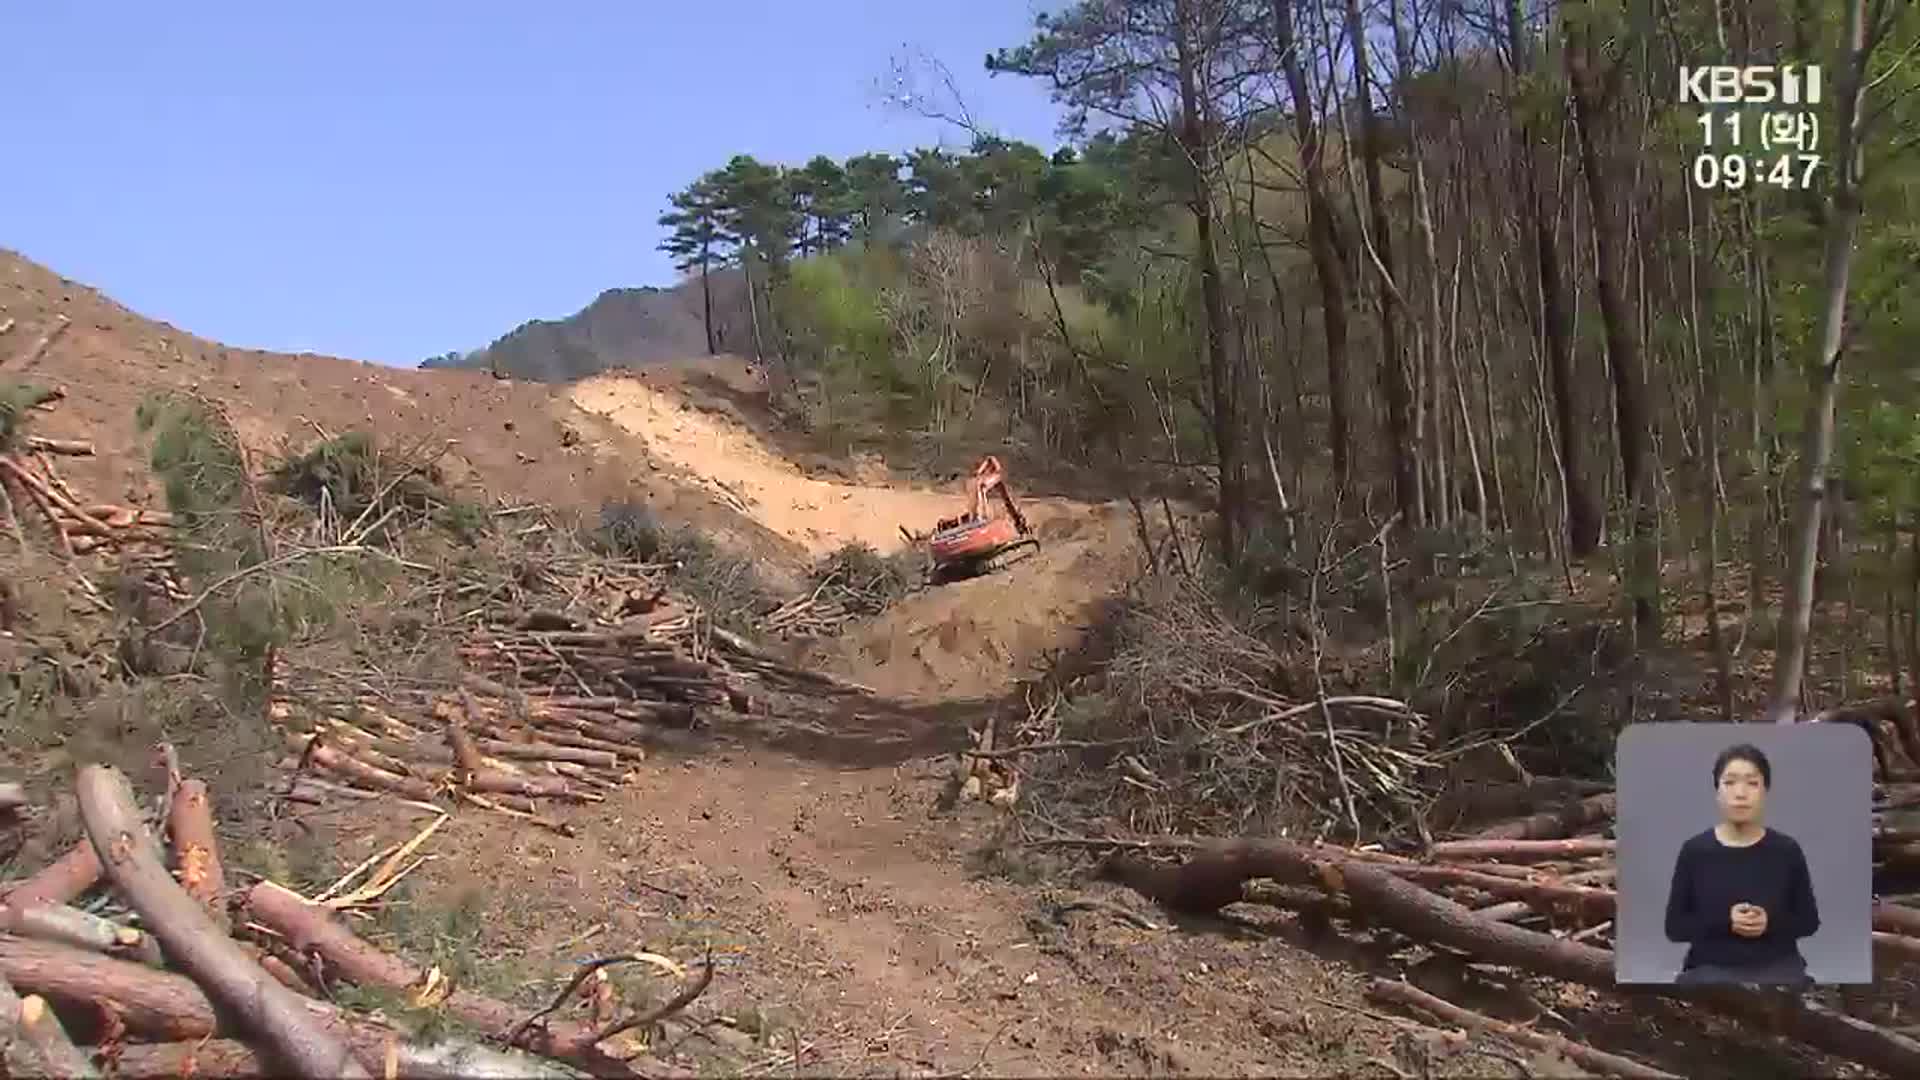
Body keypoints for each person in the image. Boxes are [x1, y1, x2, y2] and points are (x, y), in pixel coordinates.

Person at [1664, 743, 1820, 987]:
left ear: (1765, 791)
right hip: (1710, 969)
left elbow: (1808, 921)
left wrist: (1769, 922)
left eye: (1752, 783)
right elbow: (1675, 927)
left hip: (1777, 967)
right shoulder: (1695, 851)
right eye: (1730, 782)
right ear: (1717, 791)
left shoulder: (1786, 850)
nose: (1740, 793)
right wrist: (1727, 922)